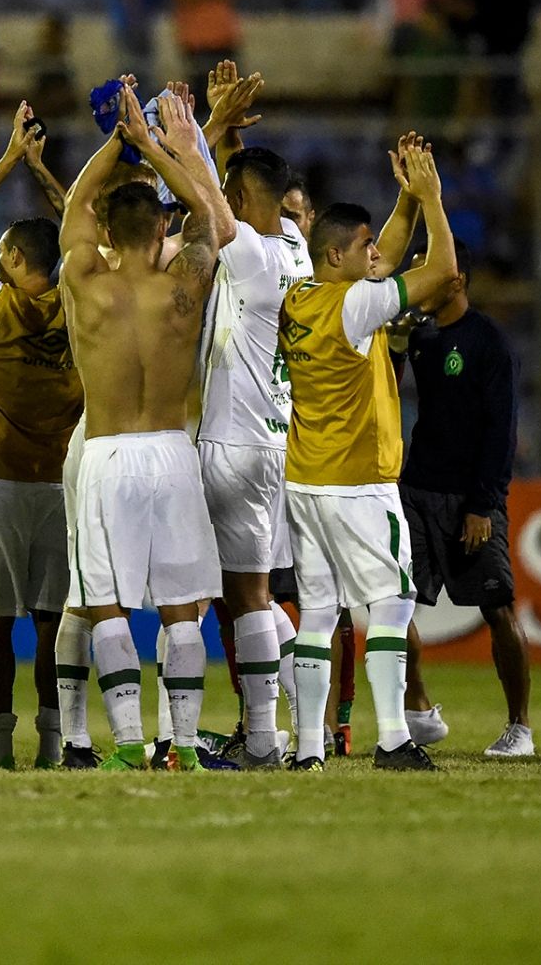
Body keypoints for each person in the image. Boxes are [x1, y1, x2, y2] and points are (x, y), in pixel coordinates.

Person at [58, 82, 232, 772]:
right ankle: (183, 745)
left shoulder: (83, 278)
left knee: (107, 603)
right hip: (170, 448)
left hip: (106, 452)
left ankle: (129, 744)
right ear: (161, 230)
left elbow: (73, 204)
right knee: (181, 606)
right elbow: (208, 216)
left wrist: (118, 141)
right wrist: (157, 146)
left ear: (106, 232)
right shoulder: (184, 281)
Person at [282, 135, 457, 772]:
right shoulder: (357, 307)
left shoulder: (302, 296)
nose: (376, 254)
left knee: (319, 612)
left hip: (306, 479)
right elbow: (440, 271)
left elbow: (378, 258)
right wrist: (433, 200)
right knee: (389, 603)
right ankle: (392, 739)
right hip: (359, 483)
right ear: (336, 255)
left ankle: (305, 750)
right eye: (364, 248)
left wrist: (404, 199)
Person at [0, 103, 84, 770]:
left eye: (3, 253)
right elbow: (90, 235)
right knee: (54, 623)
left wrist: (7, 159)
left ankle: (0, 747)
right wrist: (47, 174)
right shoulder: (83, 305)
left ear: (16, 258)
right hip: (60, 483)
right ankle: (54, 745)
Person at [197, 137, 314, 770]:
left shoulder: (246, 251)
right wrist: (231, 138)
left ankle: (265, 740)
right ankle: (297, 722)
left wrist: (189, 134)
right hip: (277, 441)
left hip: (234, 442)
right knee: (260, 595)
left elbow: (207, 202)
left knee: (242, 598)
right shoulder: (295, 242)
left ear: (240, 201)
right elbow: (241, 199)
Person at [394, 253, 531, 757]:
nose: (416, 282)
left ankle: (520, 727)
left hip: (472, 498)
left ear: (457, 280)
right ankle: (418, 707)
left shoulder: (489, 342)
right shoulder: (420, 338)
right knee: (395, 599)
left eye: (426, 272)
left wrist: (482, 505)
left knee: (497, 608)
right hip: (418, 489)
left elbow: (502, 431)